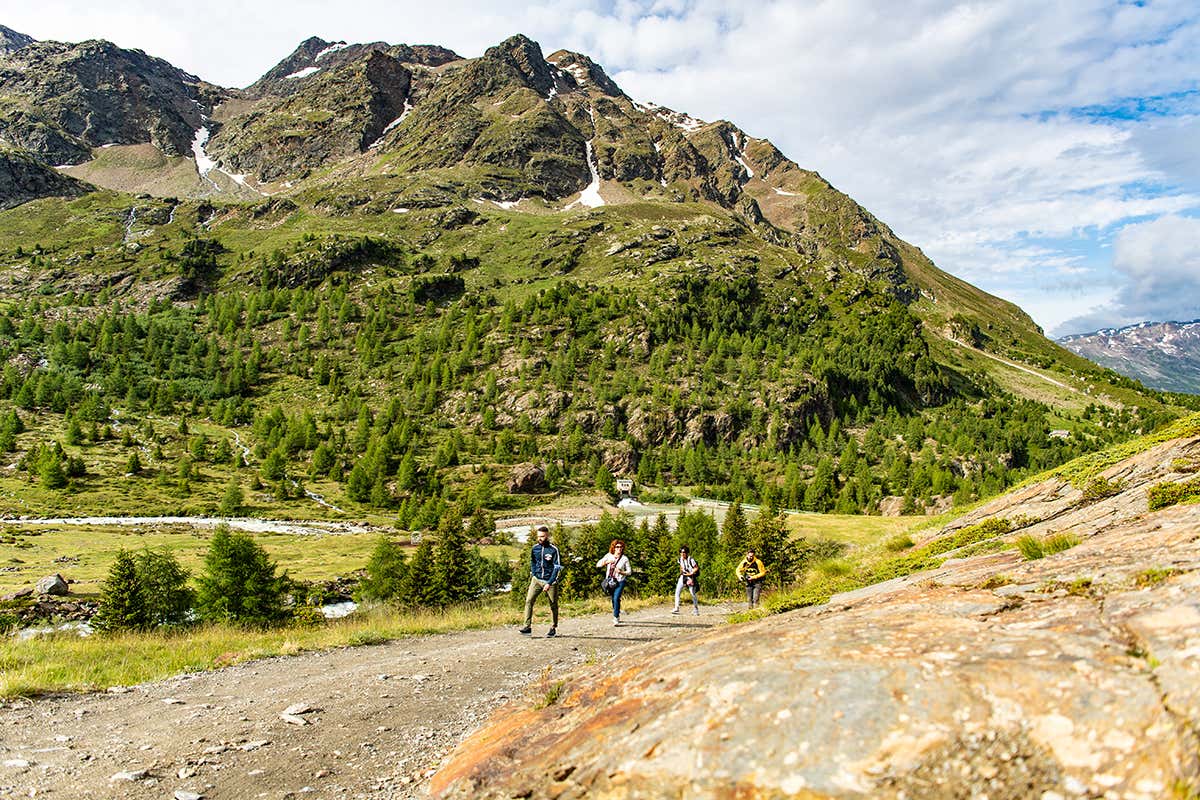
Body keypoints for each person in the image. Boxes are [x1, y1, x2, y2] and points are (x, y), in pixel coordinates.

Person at [519, 524, 562, 637]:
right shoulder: (535, 548)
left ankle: (553, 627)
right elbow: (533, 561)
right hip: (537, 579)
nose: (540, 538)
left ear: (547, 536)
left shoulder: (553, 550)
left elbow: (557, 567)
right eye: (538, 536)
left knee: (553, 604)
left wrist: (549, 582)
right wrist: (533, 572)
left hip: (550, 581)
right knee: (529, 601)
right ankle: (527, 626)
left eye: (542, 536)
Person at [596, 539, 631, 626]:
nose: (619, 549)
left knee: (616, 598)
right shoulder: (609, 555)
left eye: (621, 547)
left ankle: (616, 617)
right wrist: (607, 562)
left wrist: (621, 572)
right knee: (613, 599)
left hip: (620, 581)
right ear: (614, 548)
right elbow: (598, 564)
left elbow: (629, 572)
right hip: (610, 581)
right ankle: (617, 611)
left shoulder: (624, 558)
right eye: (617, 547)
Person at [672, 546, 700, 615]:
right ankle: (676, 607)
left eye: (684, 552)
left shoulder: (691, 559)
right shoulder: (680, 559)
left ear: (687, 553)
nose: (682, 554)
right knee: (677, 591)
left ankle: (696, 610)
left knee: (692, 593)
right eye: (681, 552)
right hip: (683, 576)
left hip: (690, 577)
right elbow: (681, 566)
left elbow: (696, 568)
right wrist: (682, 572)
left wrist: (691, 573)